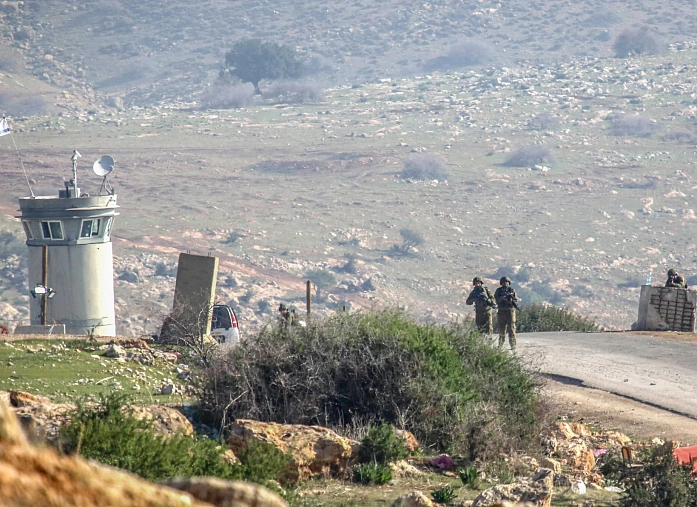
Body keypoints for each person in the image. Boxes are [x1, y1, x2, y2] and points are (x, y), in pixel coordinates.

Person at [494, 277, 518, 350]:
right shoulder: (498, 291)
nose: (505, 283)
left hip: (510, 311)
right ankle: (500, 344)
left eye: (507, 282)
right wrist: (502, 298)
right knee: (502, 329)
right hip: (501, 311)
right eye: (504, 282)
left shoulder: (511, 290)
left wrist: (510, 301)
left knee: (511, 328)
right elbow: (496, 300)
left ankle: (513, 345)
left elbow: (515, 301)